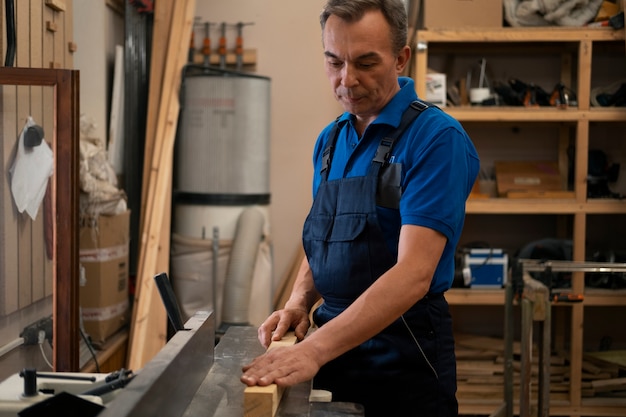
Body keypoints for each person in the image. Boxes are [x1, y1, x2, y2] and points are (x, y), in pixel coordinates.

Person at [241, 0, 479, 415]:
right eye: (334, 62)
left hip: (403, 358)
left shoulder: (436, 139)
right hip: (333, 349)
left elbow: (414, 274)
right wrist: (299, 301)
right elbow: (327, 238)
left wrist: (313, 351)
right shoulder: (330, 141)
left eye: (366, 63)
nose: (346, 80)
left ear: (400, 58)